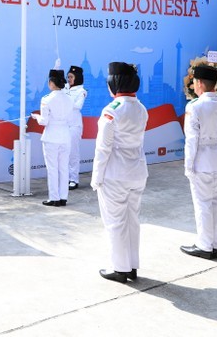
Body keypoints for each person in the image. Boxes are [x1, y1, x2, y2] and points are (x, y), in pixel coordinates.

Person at [91, 62, 148, 283]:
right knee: (132, 219)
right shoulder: (140, 108)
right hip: (137, 171)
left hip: (115, 173)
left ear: (114, 84)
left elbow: (103, 148)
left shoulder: (111, 111)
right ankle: (132, 266)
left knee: (115, 222)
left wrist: (96, 177)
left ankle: (120, 268)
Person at [180, 65, 217, 259]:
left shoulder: (194, 106)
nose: (194, 85)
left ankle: (204, 245)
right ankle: (214, 243)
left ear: (200, 83)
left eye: (194, 81)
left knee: (202, 203)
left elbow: (191, 140)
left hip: (202, 160)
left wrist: (188, 165)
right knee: (215, 203)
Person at [31, 69, 72, 207]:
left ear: (51, 82)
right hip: (65, 135)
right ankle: (63, 197)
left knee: (53, 168)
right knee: (64, 168)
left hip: (52, 136)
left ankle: (54, 198)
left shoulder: (46, 99)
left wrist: (36, 117)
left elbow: (44, 121)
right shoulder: (69, 98)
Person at [66, 65, 88, 190]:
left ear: (77, 78)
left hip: (74, 126)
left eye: (71, 77)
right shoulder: (65, 88)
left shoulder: (82, 91)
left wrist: (64, 99)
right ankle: (65, 177)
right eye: (68, 77)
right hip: (63, 125)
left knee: (73, 153)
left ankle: (73, 179)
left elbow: (78, 106)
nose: (69, 79)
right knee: (63, 153)